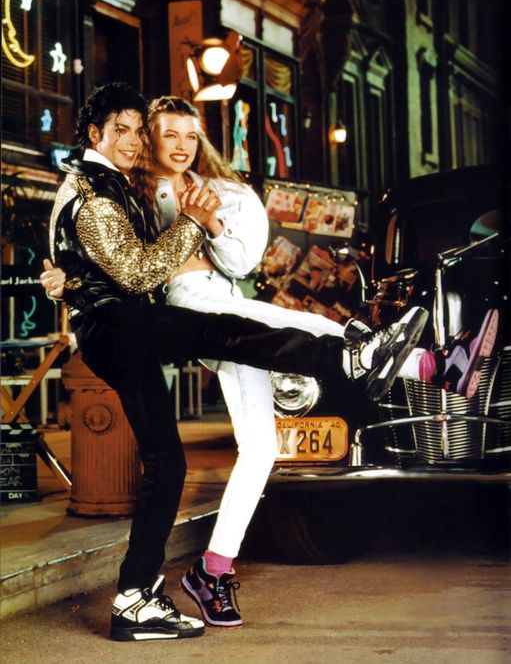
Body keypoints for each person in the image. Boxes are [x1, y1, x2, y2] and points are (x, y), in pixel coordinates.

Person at [42, 85, 497, 638]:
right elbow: (135, 269)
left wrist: (204, 224)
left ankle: (208, 572)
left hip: (195, 305)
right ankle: (422, 365)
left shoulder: (174, 190)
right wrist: (72, 278)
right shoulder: (118, 188)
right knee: (291, 329)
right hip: (178, 310)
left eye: (182, 135)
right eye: (154, 133)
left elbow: (232, 262)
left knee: (255, 446)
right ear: (104, 135)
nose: (162, 143)